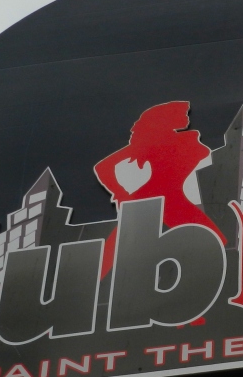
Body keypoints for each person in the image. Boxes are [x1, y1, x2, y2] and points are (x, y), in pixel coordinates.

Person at [94, 101, 224, 274]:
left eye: (186, 113)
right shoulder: (154, 142)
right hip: (155, 197)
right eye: (183, 113)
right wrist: (121, 193)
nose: (187, 117)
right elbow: (102, 167)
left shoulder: (183, 139)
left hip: (171, 197)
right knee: (215, 242)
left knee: (216, 242)